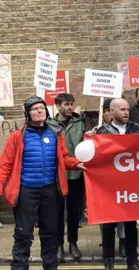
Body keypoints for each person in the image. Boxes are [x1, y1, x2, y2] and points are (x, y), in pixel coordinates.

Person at [0, 96, 85, 270]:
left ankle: (50, 266)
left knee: (50, 234)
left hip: (51, 191)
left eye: (42, 108)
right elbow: (5, 165)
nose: (39, 111)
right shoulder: (18, 136)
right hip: (26, 192)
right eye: (34, 109)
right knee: (23, 234)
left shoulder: (56, 133)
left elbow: (64, 159)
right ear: (27, 113)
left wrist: (77, 164)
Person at [95, 98, 139, 270]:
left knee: (131, 226)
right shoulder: (101, 132)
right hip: (109, 186)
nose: (126, 112)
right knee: (108, 226)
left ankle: (133, 261)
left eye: (127, 109)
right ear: (112, 111)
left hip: (131, 186)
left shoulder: (136, 129)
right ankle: (109, 262)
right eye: (122, 109)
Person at [48, 93, 86, 262]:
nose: (70, 107)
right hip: (57, 176)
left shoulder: (80, 122)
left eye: (71, 104)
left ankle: (73, 243)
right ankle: (58, 245)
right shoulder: (49, 125)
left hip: (77, 175)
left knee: (73, 212)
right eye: (66, 104)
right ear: (58, 106)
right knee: (57, 213)